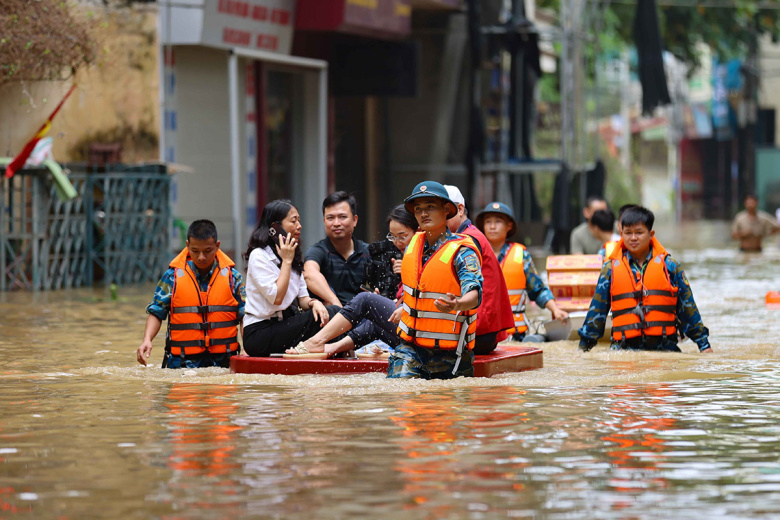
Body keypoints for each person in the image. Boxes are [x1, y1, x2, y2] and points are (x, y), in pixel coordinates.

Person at [286, 205, 419, 357]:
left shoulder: (412, 255)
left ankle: (317, 342)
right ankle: (330, 347)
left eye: (402, 236)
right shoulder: (318, 250)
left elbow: (426, 295)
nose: (397, 242)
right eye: (393, 237)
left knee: (364, 300)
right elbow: (309, 273)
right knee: (370, 319)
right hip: (351, 317)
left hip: (418, 329)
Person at [578, 206, 713, 354]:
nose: (633, 238)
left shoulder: (670, 266)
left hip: (664, 349)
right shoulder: (610, 269)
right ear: (621, 233)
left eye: (639, 232)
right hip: (624, 351)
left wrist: (704, 345)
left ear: (651, 234)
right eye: (628, 233)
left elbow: (688, 309)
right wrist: (584, 349)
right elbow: (597, 312)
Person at [387, 181, 484, 379]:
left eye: (430, 207)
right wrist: (404, 305)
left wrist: (457, 303)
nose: (424, 214)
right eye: (418, 209)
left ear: (446, 209)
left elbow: (474, 293)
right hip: (411, 347)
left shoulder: (462, 251)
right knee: (398, 391)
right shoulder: (413, 244)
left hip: (450, 354)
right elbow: (418, 289)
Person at [137, 220, 245, 369]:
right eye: (195, 251)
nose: (201, 257)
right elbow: (156, 312)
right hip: (182, 362)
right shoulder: (172, 277)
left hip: (224, 360)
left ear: (217, 246)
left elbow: (245, 316)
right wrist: (147, 339)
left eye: (207, 251)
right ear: (187, 246)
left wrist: (247, 349)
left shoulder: (233, 278)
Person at [242, 200, 340, 357]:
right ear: (275, 227)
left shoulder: (294, 254)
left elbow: (303, 298)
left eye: (299, 220)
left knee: (333, 315)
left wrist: (314, 303)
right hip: (259, 333)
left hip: (285, 325)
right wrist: (286, 261)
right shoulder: (259, 255)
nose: (299, 226)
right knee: (335, 314)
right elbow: (277, 298)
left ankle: (339, 352)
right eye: (293, 221)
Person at [476, 202, 568, 341]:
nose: (492, 226)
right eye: (488, 222)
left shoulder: (521, 255)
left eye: (498, 221)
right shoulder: (474, 254)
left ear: (509, 226)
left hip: (516, 335)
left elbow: (537, 290)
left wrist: (555, 309)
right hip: (484, 333)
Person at [444, 185, 515, 354]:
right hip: (481, 331)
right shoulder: (466, 235)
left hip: (476, 332)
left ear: (460, 209)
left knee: (368, 302)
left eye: (443, 211)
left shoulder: (468, 239)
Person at [303, 191, 370, 306]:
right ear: (324, 221)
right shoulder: (318, 251)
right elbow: (309, 274)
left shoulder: (368, 252)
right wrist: (336, 304)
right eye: (330, 218)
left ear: (355, 220)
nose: (336, 223)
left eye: (342, 217)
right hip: (332, 316)